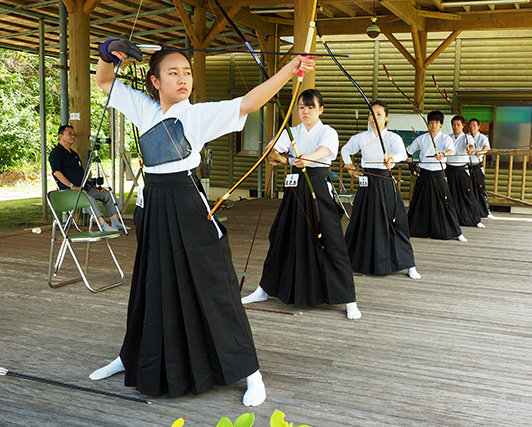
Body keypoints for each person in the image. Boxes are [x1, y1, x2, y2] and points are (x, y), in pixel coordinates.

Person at [88, 38, 315, 406]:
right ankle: (130, 356)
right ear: (155, 81)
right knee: (150, 283)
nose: (183, 79)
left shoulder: (196, 114)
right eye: (173, 73)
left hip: (186, 203)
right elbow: (103, 82)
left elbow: (249, 102)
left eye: (187, 72)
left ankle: (250, 371)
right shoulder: (144, 108)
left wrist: (290, 70)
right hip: (154, 205)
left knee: (214, 287)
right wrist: (106, 55)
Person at [241, 89, 361, 320]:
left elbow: (325, 151)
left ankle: (349, 299)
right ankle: (264, 289)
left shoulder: (328, 132)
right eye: (302, 107)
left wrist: (307, 157)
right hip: (295, 189)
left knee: (331, 241)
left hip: (318, 188)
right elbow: (273, 149)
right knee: (281, 237)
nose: (305, 112)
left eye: (311, 107)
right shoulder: (292, 131)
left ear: (321, 109)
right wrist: (274, 154)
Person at [340, 100, 420, 279]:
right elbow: (345, 150)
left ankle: (408, 263)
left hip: (385, 180)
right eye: (371, 114)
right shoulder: (361, 137)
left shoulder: (392, 138)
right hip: (367, 180)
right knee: (361, 220)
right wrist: (350, 166)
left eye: (378, 114)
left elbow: (401, 152)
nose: (374, 117)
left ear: (386, 117)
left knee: (395, 221)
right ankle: (355, 261)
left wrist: (392, 158)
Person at [49, 125, 127, 232]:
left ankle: (115, 222)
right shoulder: (56, 152)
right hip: (70, 190)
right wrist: (72, 186)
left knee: (107, 194)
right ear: (60, 136)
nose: (73, 136)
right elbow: (57, 173)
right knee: (88, 198)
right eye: (69, 133)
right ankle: (102, 224)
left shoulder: (74, 154)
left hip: (84, 187)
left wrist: (93, 185)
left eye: (74, 134)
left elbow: (82, 173)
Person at [406, 110, 466, 242]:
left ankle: (457, 231)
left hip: (438, 174)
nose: (434, 125)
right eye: (431, 122)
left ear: (441, 124)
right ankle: (411, 230)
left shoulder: (445, 138)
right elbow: (409, 151)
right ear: (428, 124)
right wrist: (411, 164)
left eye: (437, 123)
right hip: (424, 174)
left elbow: (452, 151)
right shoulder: (421, 138)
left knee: (447, 202)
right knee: (419, 202)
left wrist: (443, 154)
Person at [447, 116, 484, 228]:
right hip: (449, 169)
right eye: (454, 124)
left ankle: (476, 219)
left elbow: (471, 145)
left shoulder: (467, 138)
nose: (455, 127)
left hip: (462, 170)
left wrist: (471, 149)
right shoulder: (448, 138)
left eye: (458, 124)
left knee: (468, 194)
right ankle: (452, 219)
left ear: (463, 126)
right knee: (450, 195)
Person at [468, 118, 495, 219]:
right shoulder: (466, 136)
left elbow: (486, 147)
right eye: (470, 125)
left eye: (474, 125)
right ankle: (471, 212)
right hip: (467, 166)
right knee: (469, 190)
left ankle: (486, 212)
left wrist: (481, 152)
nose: (472, 127)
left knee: (481, 189)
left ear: (479, 127)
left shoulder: (483, 137)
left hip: (477, 165)